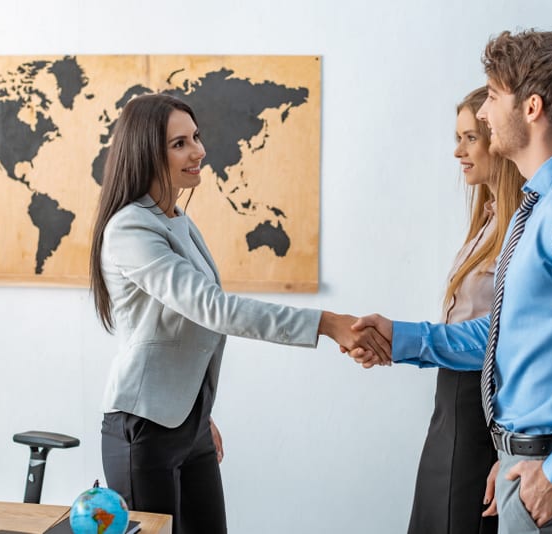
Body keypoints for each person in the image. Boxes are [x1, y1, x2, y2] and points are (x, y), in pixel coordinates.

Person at [351, 29, 552, 534]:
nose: (486, 113)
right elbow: (505, 336)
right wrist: (403, 338)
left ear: (531, 107)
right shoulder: (541, 206)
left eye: (493, 97)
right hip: (525, 463)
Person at [89, 93, 390, 534]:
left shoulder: (179, 221)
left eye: (195, 137)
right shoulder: (130, 228)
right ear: (144, 151)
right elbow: (213, 309)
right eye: (179, 144)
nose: (199, 151)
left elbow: (186, 328)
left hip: (187, 423)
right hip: (144, 429)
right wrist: (327, 324)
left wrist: (198, 413)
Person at [407, 87, 523, 534]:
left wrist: (505, 453)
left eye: (470, 137)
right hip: (450, 406)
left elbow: (505, 340)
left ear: (500, 139)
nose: (458, 151)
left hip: (481, 414)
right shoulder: (488, 219)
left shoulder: (523, 228)